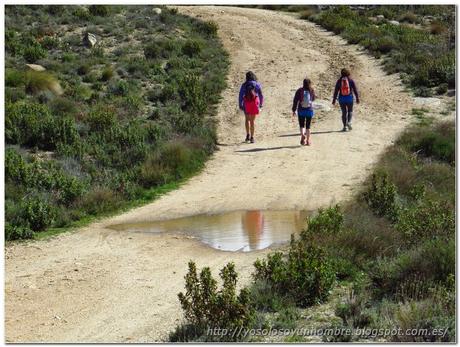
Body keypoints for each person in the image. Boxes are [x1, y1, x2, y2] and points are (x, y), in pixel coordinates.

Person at [239, 71, 264, 143]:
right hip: (254, 104)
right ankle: (252, 138)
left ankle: (247, 135)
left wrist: (240, 104)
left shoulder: (244, 85)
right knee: (252, 121)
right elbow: (261, 95)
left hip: (246, 104)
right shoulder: (257, 84)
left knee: (247, 119)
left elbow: (240, 95)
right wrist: (261, 104)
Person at [292, 78, 316, 146]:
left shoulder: (299, 90)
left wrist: (294, 110)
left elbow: (295, 101)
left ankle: (302, 135)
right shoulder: (311, 90)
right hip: (309, 110)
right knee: (308, 126)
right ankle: (308, 141)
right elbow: (313, 99)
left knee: (302, 125)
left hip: (301, 110)